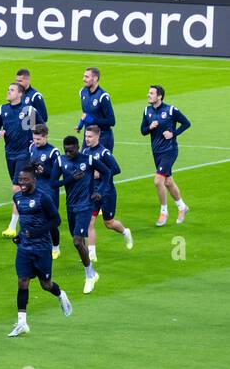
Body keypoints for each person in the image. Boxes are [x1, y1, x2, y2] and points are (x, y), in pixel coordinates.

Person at [8, 167, 72, 336]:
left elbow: (56, 220)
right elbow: (25, 222)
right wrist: (20, 236)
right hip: (24, 248)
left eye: (26, 180)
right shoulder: (17, 197)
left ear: (33, 180)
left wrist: (36, 233)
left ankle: (60, 294)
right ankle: (22, 322)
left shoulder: (43, 197)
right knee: (22, 282)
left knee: (46, 285)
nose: (22, 183)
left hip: (42, 247)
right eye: (20, 180)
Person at [141, 84, 191, 226]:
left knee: (158, 181)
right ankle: (182, 207)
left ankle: (164, 212)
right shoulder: (147, 111)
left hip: (169, 151)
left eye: (151, 93)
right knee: (168, 181)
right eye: (148, 92)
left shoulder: (170, 110)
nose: (148, 95)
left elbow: (186, 123)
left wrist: (173, 134)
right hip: (156, 152)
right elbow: (142, 131)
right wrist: (150, 127)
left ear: (159, 96)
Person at [57, 136, 101, 294]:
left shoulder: (88, 160)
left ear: (77, 148)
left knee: (76, 241)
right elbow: (53, 183)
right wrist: (69, 178)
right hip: (71, 206)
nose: (68, 153)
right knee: (79, 241)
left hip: (85, 205)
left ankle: (89, 275)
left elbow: (109, 172)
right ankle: (93, 272)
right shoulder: (60, 161)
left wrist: (98, 190)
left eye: (71, 150)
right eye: (66, 150)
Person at [81, 124, 131, 259]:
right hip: (92, 192)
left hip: (107, 192)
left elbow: (116, 169)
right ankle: (91, 254)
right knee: (89, 222)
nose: (87, 139)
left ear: (97, 137)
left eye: (90, 137)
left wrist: (101, 174)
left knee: (109, 223)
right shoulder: (85, 152)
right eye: (86, 136)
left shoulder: (104, 153)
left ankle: (125, 232)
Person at [0, 82, 35, 237]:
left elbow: (38, 129)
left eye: (11, 90)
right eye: (8, 89)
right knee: (24, 189)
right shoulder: (2, 109)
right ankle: (30, 212)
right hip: (9, 153)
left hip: (24, 154)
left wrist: (33, 145)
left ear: (20, 94)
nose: (8, 92)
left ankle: (12, 226)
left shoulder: (27, 110)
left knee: (17, 188)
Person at [26, 124, 63, 259]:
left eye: (39, 139)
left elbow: (57, 174)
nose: (36, 142)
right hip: (35, 190)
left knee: (50, 220)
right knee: (33, 219)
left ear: (46, 136)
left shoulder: (54, 152)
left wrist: (45, 171)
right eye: (34, 139)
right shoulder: (32, 147)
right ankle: (37, 245)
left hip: (50, 191)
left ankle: (56, 247)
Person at [76, 66, 115, 151]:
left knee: (100, 164)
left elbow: (111, 121)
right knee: (84, 162)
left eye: (87, 77)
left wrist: (92, 120)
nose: (83, 79)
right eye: (84, 76)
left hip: (102, 139)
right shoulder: (82, 92)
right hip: (88, 137)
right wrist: (80, 124)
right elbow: (86, 114)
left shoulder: (102, 96)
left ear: (95, 78)